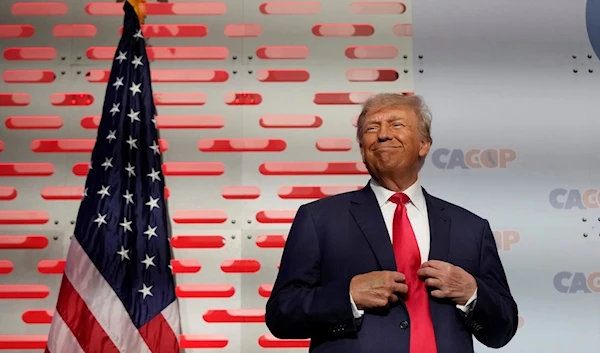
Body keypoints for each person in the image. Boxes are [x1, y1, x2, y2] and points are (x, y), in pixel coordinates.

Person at [265, 93, 518, 353]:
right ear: (363, 150)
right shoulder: (320, 219)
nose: (383, 134)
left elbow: (503, 330)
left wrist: (472, 293)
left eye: (396, 124)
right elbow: (281, 315)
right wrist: (348, 296)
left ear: (424, 144)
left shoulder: (471, 228)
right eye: (372, 128)